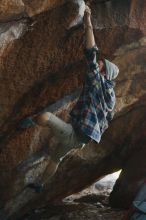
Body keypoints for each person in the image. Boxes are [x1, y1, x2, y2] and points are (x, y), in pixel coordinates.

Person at [26, 5, 119, 192]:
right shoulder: (111, 95)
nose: (100, 61)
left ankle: (27, 122)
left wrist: (88, 22)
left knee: (44, 116)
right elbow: (107, 119)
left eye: (102, 63)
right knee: (56, 158)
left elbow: (91, 53)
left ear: (104, 71)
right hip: (82, 138)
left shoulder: (97, 82)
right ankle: (39, 185)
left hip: (75, 134)